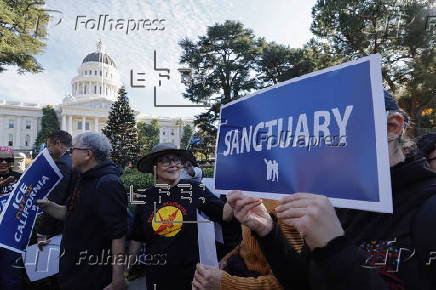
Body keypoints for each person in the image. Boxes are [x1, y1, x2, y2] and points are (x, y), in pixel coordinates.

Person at [227, 91, 436, 290]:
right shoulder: (338, 201)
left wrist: (334, 246)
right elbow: (304, 282)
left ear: (392, 127)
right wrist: (268, 231)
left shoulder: (427, 206)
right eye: (318, 132)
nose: (325, 145)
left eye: (338, 127)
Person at [128, 143, 233, 290]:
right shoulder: (145, 197)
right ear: (154, 167)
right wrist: (124, 271)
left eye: (177, 160)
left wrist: (239, 195)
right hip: (157, 276)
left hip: (191, 276)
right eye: (165, 160)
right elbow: (136, 238)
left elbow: (224, 214)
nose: (173, 165)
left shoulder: (194, 189)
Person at [37, 132, 128, 290]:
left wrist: (117, 280)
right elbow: (72, 214)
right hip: (73, 270)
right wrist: (49, 206)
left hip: (92, 274)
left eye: (73, 149)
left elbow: (118, 235)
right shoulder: (83, 177)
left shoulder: (108, 183)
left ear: (87, 154)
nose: (70, 152)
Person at [192, 199, 304, 290]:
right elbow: (248, 242)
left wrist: (225, 283)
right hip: (238, 269)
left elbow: (289, 282)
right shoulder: (252, 194)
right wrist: (226, 259)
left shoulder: (287, 205)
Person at [37, 130, 73, 250]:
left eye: (48, 146)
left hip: (59, 226)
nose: (47, 150)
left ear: (58, 144)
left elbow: (54, 199)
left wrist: (42, 232)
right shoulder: (72, 161)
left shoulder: (62, 165)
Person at [0, 146, 24, 290]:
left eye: (8, 159)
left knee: (11, 278)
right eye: (0, 159)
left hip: (11, 236)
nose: (3, 162)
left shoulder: (19, 178)